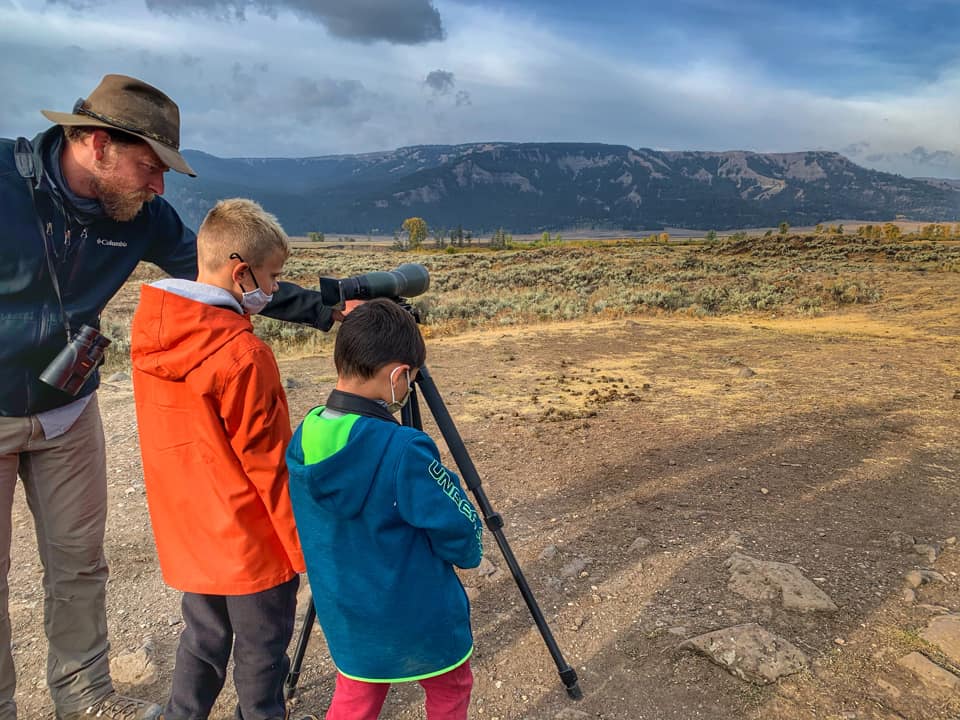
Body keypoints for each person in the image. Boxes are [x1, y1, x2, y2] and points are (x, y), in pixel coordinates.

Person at [0, 75, 336, 720]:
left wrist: (324, 310)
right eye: (149, 167)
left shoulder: (141, 217)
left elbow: (218, 271)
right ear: (97, 144)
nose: (158, 186)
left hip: (67, 412)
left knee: (79, 565)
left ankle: (87, 699)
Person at [131, 198, 318, 720]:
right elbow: (270, 466)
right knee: (261, 653)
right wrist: (303, 551)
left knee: (203, 640)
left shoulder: (154, 332)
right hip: (252, 544)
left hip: (193, 531)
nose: (276, 289)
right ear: (242, 272)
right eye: (274, 276)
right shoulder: (242, 355)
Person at [286, 299, 485, 720]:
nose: (410, 389)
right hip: (419, 610)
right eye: (410, 380)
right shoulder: (404, 449)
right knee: (450, 687)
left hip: (348, 615)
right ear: (398, 375)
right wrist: (469, 553)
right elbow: (456, 525)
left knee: (357, 695)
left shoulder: (305, 437)